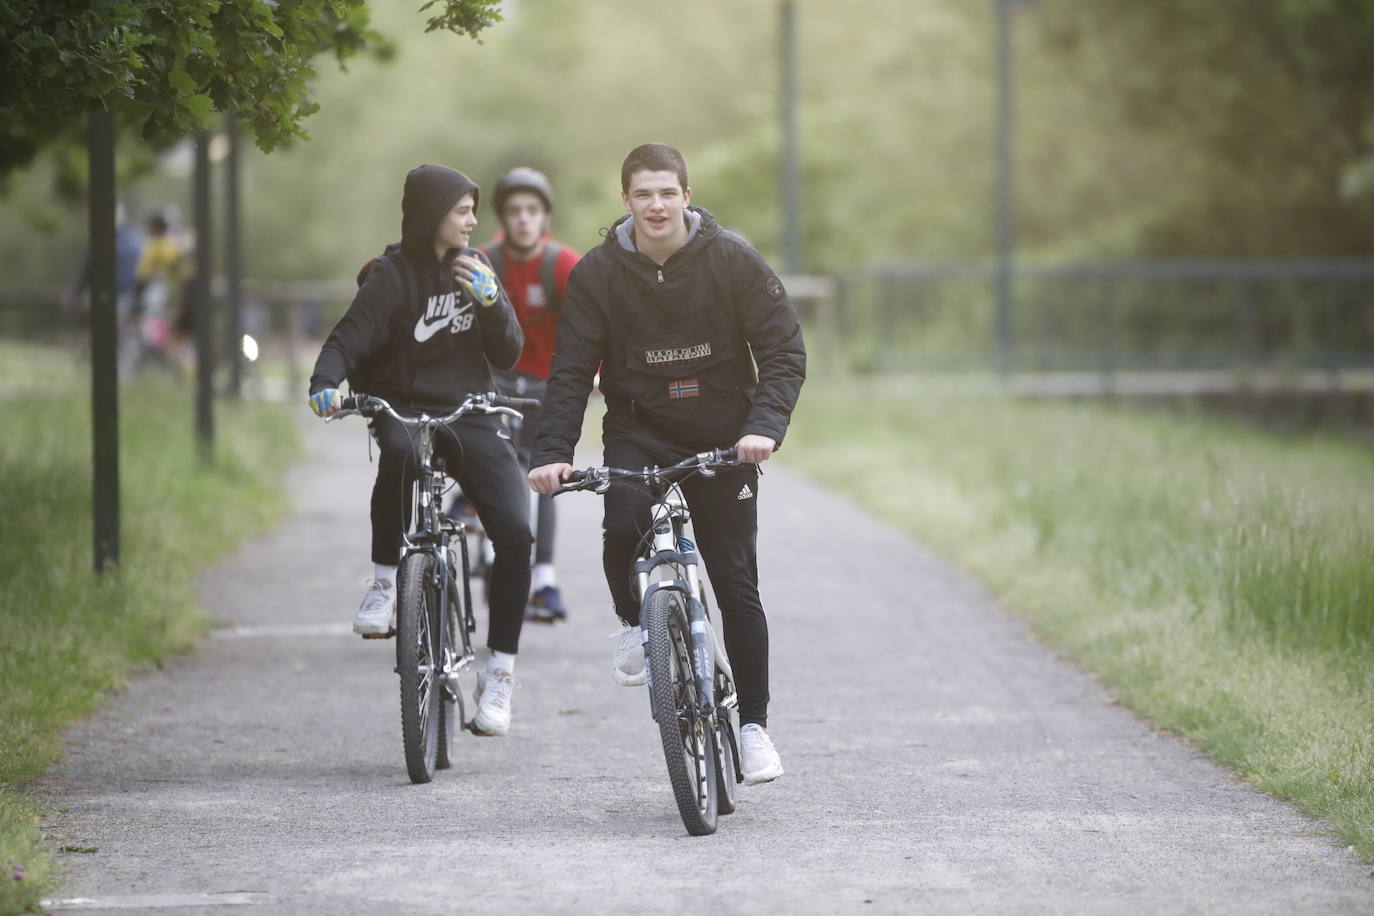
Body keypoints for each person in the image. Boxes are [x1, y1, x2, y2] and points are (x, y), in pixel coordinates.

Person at [528, 143, 806, 784]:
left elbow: (783, 350)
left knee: (735, 583)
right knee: (621, 520)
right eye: (643, 194)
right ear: (625, 200)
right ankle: (634, 623)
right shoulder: (597, 273)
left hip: (725, 435)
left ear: (686, 195)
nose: (655, 205)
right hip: (639, 431)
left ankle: (754, 728)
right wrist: (552, 454)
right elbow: (571, 370)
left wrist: (763, 428)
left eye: (666, 192)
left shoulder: (731, 259)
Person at [307, 164, 532, 737]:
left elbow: (508, 353)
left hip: (470, 411)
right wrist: (324, 383)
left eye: (473, 210)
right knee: (400, 456)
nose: (473, 221)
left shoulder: (475, 268)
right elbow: (347, 339)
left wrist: (492, 302)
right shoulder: (390, 277)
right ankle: (386, 583)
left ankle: (500, 675)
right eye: (462, 211)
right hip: (404, 408)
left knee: (515, 533)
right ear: (433, 214)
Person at [481, 167, 582, 623]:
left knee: (544, 476)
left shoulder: (562, 264)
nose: (524, 219)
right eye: (515, 211)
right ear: (503, 218)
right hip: (493, 380)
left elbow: (589, 328)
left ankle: (543, 579)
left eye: (532, 211)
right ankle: (488, 544)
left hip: (546, 382)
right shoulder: (483, 262)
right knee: (493, 466)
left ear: (545, 218)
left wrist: (594, 376)